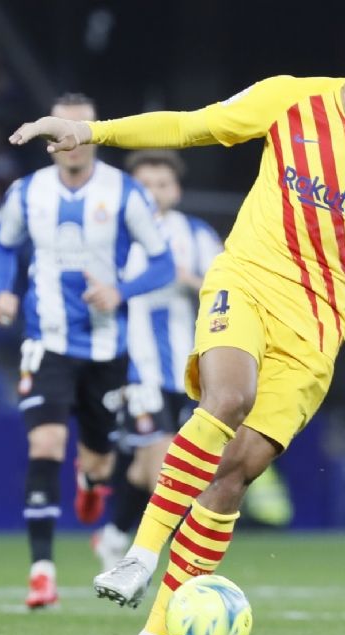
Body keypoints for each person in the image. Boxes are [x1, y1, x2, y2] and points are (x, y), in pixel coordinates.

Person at [10, 2, 345, 635]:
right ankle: (140, 553)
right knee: (227, 398)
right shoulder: (289, 99)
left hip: (316, 328)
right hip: (245, 281)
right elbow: (192, 126)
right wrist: (91, 132)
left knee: (234, 473)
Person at [0, 92, 174, 609]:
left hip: (108, 348)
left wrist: (120, 291)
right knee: (45, 444)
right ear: (49, 136)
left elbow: (161, 262)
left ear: (95, 131)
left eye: (82, 129)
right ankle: (41, 572)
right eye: (61, 130)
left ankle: (92, 480)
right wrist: (3, 291)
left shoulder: (125, 193)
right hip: (46, 341)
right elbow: (1, 246)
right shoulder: (27, 193)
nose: (72, 140)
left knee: (100, 459)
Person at [93, 150, 225, 570]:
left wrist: (188, 279)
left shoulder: (197, 234)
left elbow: (226, 291)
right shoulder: (114, 236)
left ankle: (114, 536)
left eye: (161, 184)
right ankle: (176, 562)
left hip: (187, 370)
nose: (153, 193)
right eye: (144, 185)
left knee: (144, 466)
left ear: (177, 190)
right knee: (165, 463)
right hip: (136, 369)